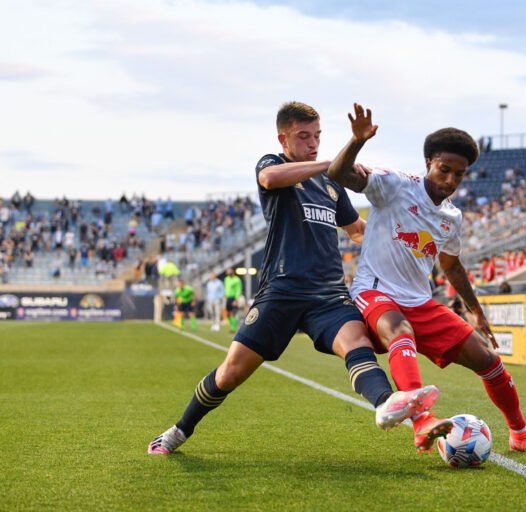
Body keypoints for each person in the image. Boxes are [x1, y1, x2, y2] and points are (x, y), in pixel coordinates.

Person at [149, 101, 438, 455]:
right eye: (304, 137)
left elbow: (358, 231)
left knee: (357, 343)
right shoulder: (273, 164)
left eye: (317, 136)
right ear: (283, 138)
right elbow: (269, 180)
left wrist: (405, 234)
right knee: (229, 374)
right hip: (282, 290)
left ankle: (385, 403)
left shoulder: (331, 187)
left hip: (328, 293)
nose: (312, 143)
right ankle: (179, 431)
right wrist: (332, 164)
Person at [328, 103, 526, 456]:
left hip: (420, 300)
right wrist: (357, 141)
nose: (450, 180)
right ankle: (422, 422)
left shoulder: (451, 217)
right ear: (429, 163)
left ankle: (520, 434)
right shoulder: (395, 185)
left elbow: (452, 266)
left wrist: (475, 310)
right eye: (444, 170)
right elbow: (339, 173)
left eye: (459, 175)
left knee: (489, 362)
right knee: (400, 332)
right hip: (375, 291)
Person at [223, 268, 243, 333]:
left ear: (233, 271)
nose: (228, 272)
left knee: (233, 313)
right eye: (227, 271)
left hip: (233, 298)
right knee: (228, 314)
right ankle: (232, 326)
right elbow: (226, 288)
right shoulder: (226, 279)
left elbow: (238, 290)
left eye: (229, 271)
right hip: (227, 298)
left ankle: (234, 328)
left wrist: (236, 300)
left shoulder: (237, 280)